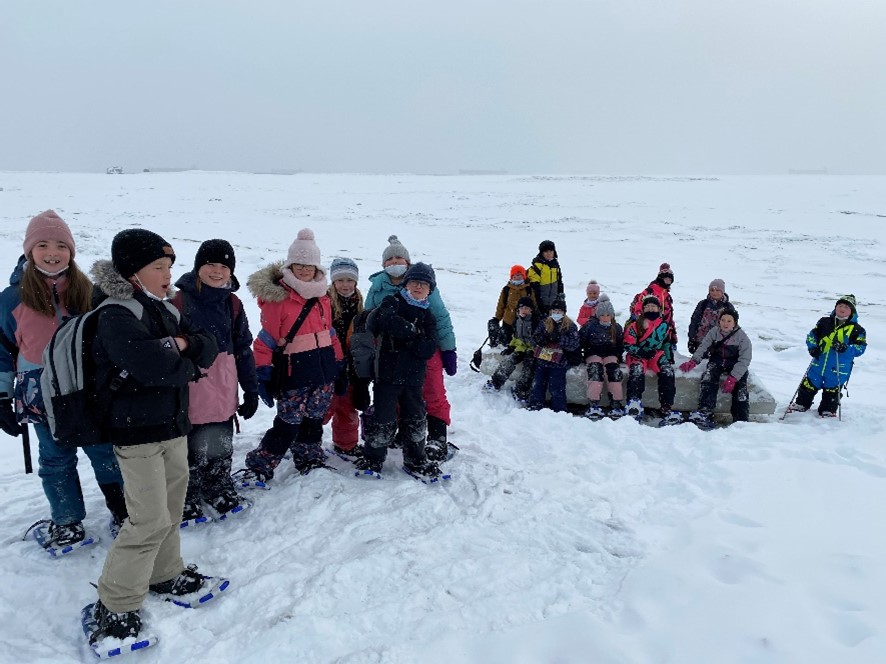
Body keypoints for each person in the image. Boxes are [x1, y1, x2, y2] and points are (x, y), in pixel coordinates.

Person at [89, 228, 223, 641]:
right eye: (158, 267)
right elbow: (150, 365)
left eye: (169, 266)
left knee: (171, 506)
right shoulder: (115, 313)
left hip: (171, 426)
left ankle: (165, 573)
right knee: (146, 520)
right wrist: (184, 356)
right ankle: (114, 603)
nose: (167, 275)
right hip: (136, 433)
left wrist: (179, 346)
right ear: (132, 272)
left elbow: (208, 344)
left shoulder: (161, 309)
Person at [0, 211, 127, 548]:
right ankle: (67, 521)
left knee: (105, 453)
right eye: (42, 244)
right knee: (56, 459)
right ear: (30, 250)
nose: (52, 252)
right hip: (40, 396)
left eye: (61, 245)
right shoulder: (11, 299)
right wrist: (1, 396)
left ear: (71, 251)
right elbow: (2, 351)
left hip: (89, 391)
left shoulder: (89, 292)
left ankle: (124, 512)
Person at [237, 229, 344, 482]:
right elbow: (265, 340)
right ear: (290, 265)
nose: (305, 270)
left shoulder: (322, 297)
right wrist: (263, 372)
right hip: (293, 372)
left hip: (323, 371)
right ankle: (260, 464)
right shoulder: (279, 300)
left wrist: (339, 365)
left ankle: (309, 456)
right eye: (299, 264)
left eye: (309, 265)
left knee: (314, 419)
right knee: (288, 423)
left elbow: (330, 333)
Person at [170, 239, 258, 523]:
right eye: (210, 265)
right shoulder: (178, 301)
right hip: (190, 387)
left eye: (224, 266)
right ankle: (188, 494)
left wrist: (251, 389)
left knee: (220, 442)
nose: (217, 271)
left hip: (223, 387)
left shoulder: (232, 303)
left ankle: (218, 486)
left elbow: (244, 348)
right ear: (198, 267)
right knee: (190, 447)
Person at [364, 235, 456, 462]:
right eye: (390, 259)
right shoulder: (377, 287)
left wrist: (448, 349)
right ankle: (396, 433)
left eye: (399, 258)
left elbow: (441, 318)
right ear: (384, 264)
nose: (395, 262)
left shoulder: (422, 282)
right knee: (391, 395)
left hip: (424, 348)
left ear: (407, 261)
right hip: (390, 353)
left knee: (431, 391)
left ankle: (436, 437)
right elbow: (366, 320)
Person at [354, 263, 440, 477]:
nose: (418, 287)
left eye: (424, 284)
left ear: (430, 289)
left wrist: (407, 336)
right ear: (406, 284)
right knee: (382, 418)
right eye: (414, 282)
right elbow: (387, 322)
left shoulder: (428, 315)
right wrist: (413, 333)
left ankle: (415, 460)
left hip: (414, 379)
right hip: (387, 375)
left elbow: (428, 349)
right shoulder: (391, 302)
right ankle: (372, 459)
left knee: (415, 418)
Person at [788, 295, 866, 417]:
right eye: (840, 305)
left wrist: (845, 348)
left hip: (839, 368)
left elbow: (860, 348)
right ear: (835, 307)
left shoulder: (857, 330)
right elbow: (811, 336)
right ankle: (801, 404)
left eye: (846, 306)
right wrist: (812, 347)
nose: (842, 308)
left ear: (852, 311)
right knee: (809, 384)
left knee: (832, 390)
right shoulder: (824, 322)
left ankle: (828, 410)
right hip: (818, 362)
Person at [679, 305, 752, 429]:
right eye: (723, 320)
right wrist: (694, 361)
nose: (725, 323)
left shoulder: (742, 337)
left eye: (729, 321)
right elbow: (703, 347)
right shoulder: (714, 332)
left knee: (741, 388)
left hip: (735, 364)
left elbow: (745, 359)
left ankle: (741, 419)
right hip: (717, 361)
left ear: (735, 323)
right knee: (708, 378)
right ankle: (705, 412)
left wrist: (733, 377)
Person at [323, 257, 363, 456]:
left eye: (349, 280)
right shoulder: (324, 302)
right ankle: (301, 440)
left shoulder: (360, 303)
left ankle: (346, 445)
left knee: (348, 407)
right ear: (333, 282)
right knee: (323, 407)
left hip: (352, 366)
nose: (345, 285)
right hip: (329, 364)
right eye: (340, 280)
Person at [623, 294, 679, 424]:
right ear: (643, 309)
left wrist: (669, 358)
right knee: (636, 371)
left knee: (667, 372)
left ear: (659, 309)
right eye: (647, 306)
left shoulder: (664, 325)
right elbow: (627, 344)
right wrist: (640, 352)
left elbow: (666, 342)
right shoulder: (635, 324)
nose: (650, 309)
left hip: (656, 354)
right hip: (637, 355)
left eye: (653, 306)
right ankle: (634, 402)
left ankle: (666, 406)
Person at [528, 296, 579, 413]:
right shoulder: (544, 323)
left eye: (559, 311)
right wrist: (540, 339)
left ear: (564, 312)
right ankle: (535, 406)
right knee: (538, 384)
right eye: (554, 311)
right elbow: (533, 339)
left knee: (557, 387)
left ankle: (559, 410)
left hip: (559, 363)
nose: (556, 313)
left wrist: (560, 339)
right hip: (542, 360)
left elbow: (574, 344)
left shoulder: (570, 326)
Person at [484, 296, 538, 403]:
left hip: (533, 349)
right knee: (509, 361)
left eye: (527, 308)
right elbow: (516, 337)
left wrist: (533, 347)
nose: (524, 311)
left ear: (531, 310)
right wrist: (511, 347)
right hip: (521, 348)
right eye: (522, 308)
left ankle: (521, 390)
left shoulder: (536, 321)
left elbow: (539, 338)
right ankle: (496, 382)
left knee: (529, 367)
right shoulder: (517, 320)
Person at [578, 299, 625, 418]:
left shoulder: (617, 328)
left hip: (610, 355)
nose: (605, 318)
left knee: (614, 372)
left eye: (608, 315)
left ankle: (616, 402)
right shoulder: (590, 326)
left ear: (612, 316)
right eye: (602, 315)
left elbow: (620, 345)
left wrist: (617, 357)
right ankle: (593, 403)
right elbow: (580, 341)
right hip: (593, 354)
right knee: (595, 371)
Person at [630, 262, 677, 352]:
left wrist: (673, 336)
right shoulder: (650, 291)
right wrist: (641, 322)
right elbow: (639, 307)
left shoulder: (667, 295)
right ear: (660, 279)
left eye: (670, 280)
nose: (668, 282)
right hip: (648, 329)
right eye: (666, 279)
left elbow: (669, 317)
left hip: (663, 331)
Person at [488, 265, 535, 348]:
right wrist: (497, 318)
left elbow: (533, 304)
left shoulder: (528, 289)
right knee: (506, 343)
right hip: (508, 320)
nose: (517, 277)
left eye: (520, 275)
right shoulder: (506, 289)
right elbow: (501, 305)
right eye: (515, 275)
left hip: (522, 321)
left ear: (523, 276)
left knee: (519, 342)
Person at [687, 278, 730, 354]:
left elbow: (732, 327)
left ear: (722, 291)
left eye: (717, 290)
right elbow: (694, 321)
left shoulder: (728, 307)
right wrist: (692, 338)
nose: (714, 293)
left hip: (719, 344)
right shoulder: (703, 304)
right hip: (701, 342)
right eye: (712, 290)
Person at [527, 240, 564, 316]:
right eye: (546, 251)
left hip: (553, 301)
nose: (549, 254)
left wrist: (560, 295)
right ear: (542, 253)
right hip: (540, 302)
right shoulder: (537, 266)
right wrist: (539, 302)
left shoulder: (555, 265)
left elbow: (559, 282)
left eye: (551, 251)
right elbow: (534, 287)